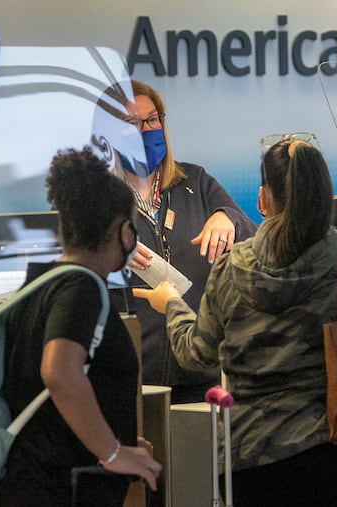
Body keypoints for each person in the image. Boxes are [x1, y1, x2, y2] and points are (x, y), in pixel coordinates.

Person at [133, 137, 337, 506]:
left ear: (263, 200)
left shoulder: (232, 269)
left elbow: (195, 354)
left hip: (258, 467)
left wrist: (171, 303)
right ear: (323, 192)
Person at [0, 147, 162, 506]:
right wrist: (113, 452)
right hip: (64, 491)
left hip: (33, 484)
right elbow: (60, 373)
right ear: (123, 232)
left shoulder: (38, 284)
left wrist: (117, 437)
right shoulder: (82, 287)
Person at [92, 79, 257, 404]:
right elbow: (73, 268)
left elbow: (254, 239)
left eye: (152, 120)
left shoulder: (194, 181)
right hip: (133, 378)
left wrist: (229, 218)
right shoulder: (96, 197)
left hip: (202, 370)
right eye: (131, 124)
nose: (145, 130)